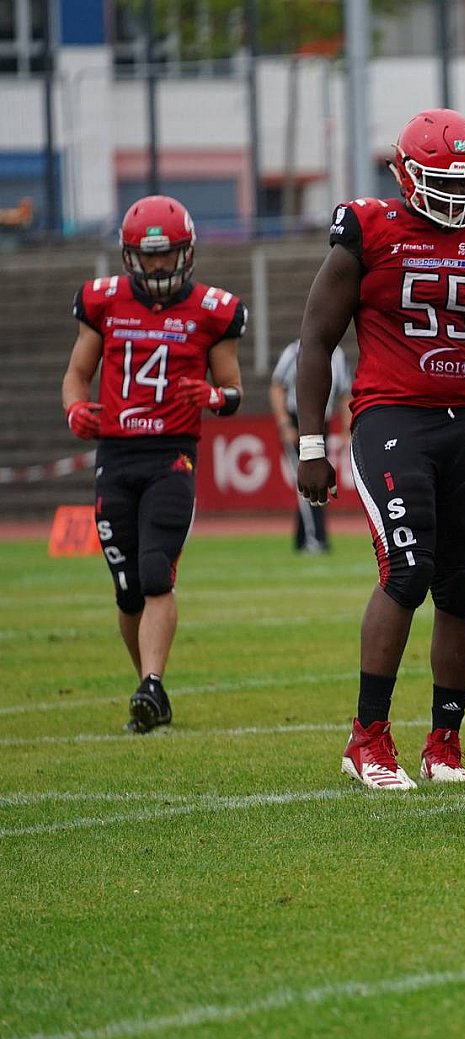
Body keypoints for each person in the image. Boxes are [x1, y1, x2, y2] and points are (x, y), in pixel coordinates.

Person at [294, 108, 465, 790]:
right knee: (406, 571)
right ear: (404, 175)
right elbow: (317, 336)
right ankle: (367, 738)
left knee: (461, 587)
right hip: (392, 418)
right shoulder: (368, 228)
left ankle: (444, 742)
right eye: (442, 182)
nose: (456, 198)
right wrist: (311, 442)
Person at [60, 194, 247, 733]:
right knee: (127, 589)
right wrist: (75, 409)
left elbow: (233, 390)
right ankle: (149, 687)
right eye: (149, 255)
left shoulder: (213, 309)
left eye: (168, 254)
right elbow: (76, 374)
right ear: (129, 255)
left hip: (172, 455)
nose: (160, 265)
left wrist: (212, 397)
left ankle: (152, 685)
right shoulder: (102, 302)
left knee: (155, 574)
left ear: (187, 253)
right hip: (116, 454)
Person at [269, 339, 351, 554]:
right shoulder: (294, 351)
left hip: (322, 422)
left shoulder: (338, 355)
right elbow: (277, 387)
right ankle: (315, 538)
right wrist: (284, 424)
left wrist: (346, 430)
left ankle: (303, 538)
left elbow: (344, 394)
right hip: (297, 421)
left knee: (315, 480)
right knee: (308, 480)